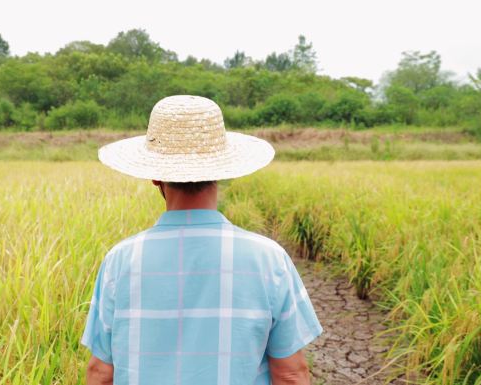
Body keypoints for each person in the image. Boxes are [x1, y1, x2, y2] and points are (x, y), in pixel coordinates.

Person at [81, 95, 323, 385]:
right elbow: (291, 374)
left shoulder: (120, 260)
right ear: (221, 173)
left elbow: (100, 373)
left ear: (155, 177)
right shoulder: (269, 259)